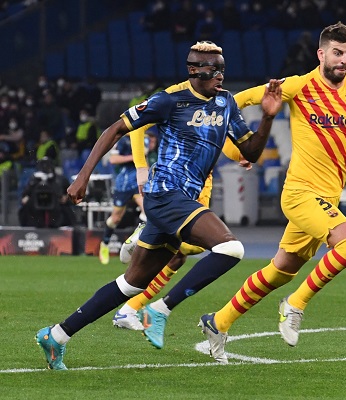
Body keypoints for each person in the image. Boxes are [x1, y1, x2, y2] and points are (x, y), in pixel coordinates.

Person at [35, 40, 283, 370]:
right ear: (194, 71)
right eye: (213, 69)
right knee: (231, 249)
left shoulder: (225, 104)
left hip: (183, 201)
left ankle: (57, 336)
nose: (220, 76)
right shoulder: (170, 100)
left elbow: (250, 152)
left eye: (223, 69)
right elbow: (115, 129)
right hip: (165, 195)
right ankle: (160, 309)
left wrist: (266, 118)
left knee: (131, 284)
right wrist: (82, 176)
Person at [195, 22, 346, 364]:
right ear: (321, 54)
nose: (343, 60)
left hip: (326, 199)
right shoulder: (298, 86)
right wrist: (237, 149)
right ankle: (295, 304)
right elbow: (237, 101)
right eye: (337, 53)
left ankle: (219, 321)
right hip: (300, 193)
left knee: (281, 270)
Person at [113, 135, 251, 330]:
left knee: (177, 257)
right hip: (187, 177)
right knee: (193, 247)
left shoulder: (219, 107)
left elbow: (222, 138)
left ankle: (128, 310)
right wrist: (141, 167)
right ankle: (147, 230)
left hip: (200, 177)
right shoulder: (184, 105)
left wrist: (240, 155)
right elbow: (136, 125)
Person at [98, 131, 146, 265]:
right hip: (123, 184)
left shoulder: (145, 138)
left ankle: (137, 241)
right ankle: (105, 244)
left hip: (138, 182)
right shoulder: (123, 141)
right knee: (116, 218)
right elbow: (113, 160)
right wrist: (133, 157)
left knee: (147, 211)